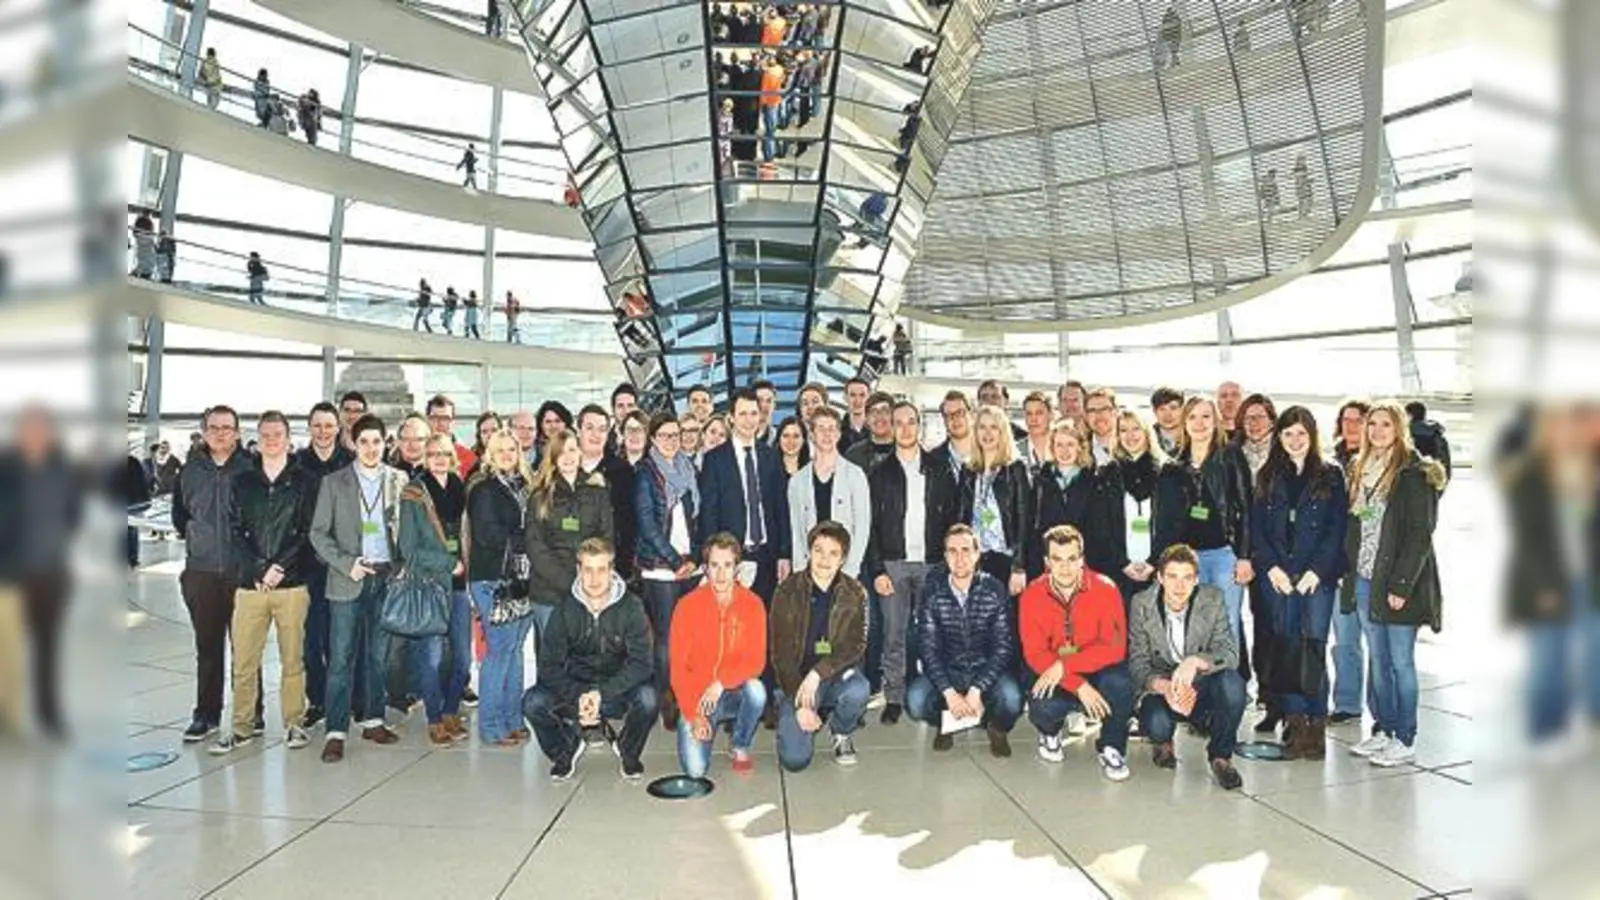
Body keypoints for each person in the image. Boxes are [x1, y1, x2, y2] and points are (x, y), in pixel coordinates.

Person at [1342, 400, 1446, 767]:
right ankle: (1383, 730)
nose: (1378, 431)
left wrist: (1401, 586)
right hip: (1367, 579)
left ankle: (1405, 736)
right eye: (1373, 425)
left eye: (1386, 425)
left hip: (1399, 584)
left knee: (1401, 662)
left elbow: (1420, 535)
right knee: (1379, 660)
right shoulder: (1359, 469)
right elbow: (1357, 527)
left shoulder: (1414, 474)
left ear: (1399, 429)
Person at [210, 411, 319, 755]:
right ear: (256, 440)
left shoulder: (305, 481)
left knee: (293, 660)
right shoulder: (242, 482)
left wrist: (279, 568)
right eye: (266, 434)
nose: (272, 440)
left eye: (278, 434)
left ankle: (294, 723)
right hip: (249, 586)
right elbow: (234, 530)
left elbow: (307, 532)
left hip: (292, 585)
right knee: (243, 661)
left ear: (289, 438)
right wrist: (259, 569)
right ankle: (241, 727)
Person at [308, 414, 409, 763]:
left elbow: (406, 529)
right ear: (353, 443)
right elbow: (318, 533)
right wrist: (346, 563)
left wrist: (402, 564)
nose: (370, 448)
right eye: (363, 441)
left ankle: (374, 719)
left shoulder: (399, 479)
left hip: (385, 579)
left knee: (377, 657)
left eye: (376, 442)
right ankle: (336, 731)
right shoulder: (334, 483)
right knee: (341, 659)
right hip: (348, 578)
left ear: (385, 443)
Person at [1250, 406, 1347, 759]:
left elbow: (1337, 530)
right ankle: (1294, 725)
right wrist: (1271, 567)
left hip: (1315, 579)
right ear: (1279, 437)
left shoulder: (1331, 476)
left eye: (1301, 434)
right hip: (1278, 577)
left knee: (1313, 646)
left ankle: (1315, 724)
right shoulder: (1267, 476)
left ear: (1312, 436)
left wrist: (1316, 572)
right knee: (1286, 647)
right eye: (1288, 433)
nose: (1294, 440)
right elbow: (1256, 529)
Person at [1503, 405, 1599, 742]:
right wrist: (1545, 586)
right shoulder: (1528, 476)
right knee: (1548, 659)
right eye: (1556, 428)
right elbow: (1528, 539)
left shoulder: (1587, 472)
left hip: (1588, 580)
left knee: (1594, 655)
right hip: (1547, 584)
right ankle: (1546, 730)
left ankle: (1591, 723)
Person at [523, 538, 657, 781]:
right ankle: (566, 749)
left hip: (617, 688)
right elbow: (548, 666)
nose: (594, 579)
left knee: (649, 698)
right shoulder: (564, 609)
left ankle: (627, 751)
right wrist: (579, 695)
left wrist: (601, 693)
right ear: (578, 571)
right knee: (533, 702)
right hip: (576, 687)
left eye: (601, 570)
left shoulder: (632, 607)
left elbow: (642, 663)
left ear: (612, 570)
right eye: (588, 570)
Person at [864, 401, 961, 724]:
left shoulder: (940, 468)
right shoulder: (879, 473)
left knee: (934, 632)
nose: (905, 428)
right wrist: (877, 569)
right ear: (891, 427)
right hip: (894, 564)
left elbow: (952, 518)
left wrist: (950, 562)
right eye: (899, 423)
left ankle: (937, 692)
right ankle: (894, 695)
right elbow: (871, 527)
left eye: (911, 422)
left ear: (919, 426)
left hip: (933, 564)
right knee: (894, 633)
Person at [1151, 395, 1253, 686]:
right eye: (1193, 417)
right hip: (1188, 560)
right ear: (1184, 422)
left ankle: (1231, 689)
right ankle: (1200, 690)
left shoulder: (1230, 455)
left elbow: (1245, 507)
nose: (1199, 423)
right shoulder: (1174, 463)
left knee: (1228, 624)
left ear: (1216, 420)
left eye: (1206, 416)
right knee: (1195, 625)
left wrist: (1244, 556)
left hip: (1224, 554)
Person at [1128, 544, 1248, 790]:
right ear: (1159, 577)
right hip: (1162, 688)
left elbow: (1230, 653)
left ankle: (1221, 757)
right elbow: (1137, 663)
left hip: (1200, 685)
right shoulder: (1141, 604)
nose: (1179, 586)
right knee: (1157, 725)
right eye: (1172, 577)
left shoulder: (1212, 598)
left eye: (1187, 578)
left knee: (1233, 685)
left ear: (1196, 580)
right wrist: (1164, 686)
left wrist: (1194, 662)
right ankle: (1163, 742)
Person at [1019, 525, 1135, 779]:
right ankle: (1050, 732)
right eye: (1057, 559)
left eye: (1072, 559)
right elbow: (1036, 655)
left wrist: (1066, 665)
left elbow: (1114, 649)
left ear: (1082, 559)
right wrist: (1078, 684)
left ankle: (1112, 746)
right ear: (1047, 562)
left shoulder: (1106, 589)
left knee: (1121, 684)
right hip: (1056, 674)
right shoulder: (1032, 595)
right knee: (1041, 704)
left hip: (1096, 671)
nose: (1065, 567)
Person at [172, 406, 257, 743]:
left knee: (247, 649)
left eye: (227, 427)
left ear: (237, 432)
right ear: (204, 432)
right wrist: (198, 542)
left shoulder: (250, 470)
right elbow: (180, 517)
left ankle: (252, 712)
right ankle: (206, 714)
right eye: (214, 427)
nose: (221, 433)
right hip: (202, 572)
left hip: (241, 573)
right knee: (207, 648)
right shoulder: (189, 472)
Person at [0, 407, 82, 738]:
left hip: (51, 573)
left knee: (48, 647)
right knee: (8, 648)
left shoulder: (62, 471)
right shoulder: (5, 469)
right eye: (28, 429)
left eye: (41, 429)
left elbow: (72, 516)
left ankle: (49, 713)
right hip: (9, 574)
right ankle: (7, 715)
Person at [906, 525, 1024, 756]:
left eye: (966, 550)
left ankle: (995, 727)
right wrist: (950, 693)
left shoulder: (995, 590)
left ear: (977, 554)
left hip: (985, 668)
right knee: (915, 701)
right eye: (952, 551)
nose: (959, 558)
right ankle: (948, 721)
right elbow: (927, 650)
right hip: (948, 669)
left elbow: (1003, 648)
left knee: (1012, 699)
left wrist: (976, 690)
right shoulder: (933, 591)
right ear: (945, 556)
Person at [770, 522, 871, 769]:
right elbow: (779, 654)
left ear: (843, 559)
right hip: (795, 678)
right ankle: (799, 710)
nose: (824, 559)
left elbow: (856, 645)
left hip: (834, 673)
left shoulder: (855, 592)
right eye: (818, 550)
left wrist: (819, 673)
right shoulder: (787, 591)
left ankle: (842, 731)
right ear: (809, 552)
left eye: (833, 553)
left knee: (859, 689)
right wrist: (802, 701)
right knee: (795, 761)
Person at [670, 534, 767, 776]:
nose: (721, 574)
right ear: (705, 569)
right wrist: (694, 714)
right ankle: (704, 729)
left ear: (737, 569)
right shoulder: (686, 606)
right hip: (698, 697)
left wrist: (721, 682)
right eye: (714, 566)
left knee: (757, 690)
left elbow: (756, 661)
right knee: (695, 771)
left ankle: (740, 743)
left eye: (727, 566)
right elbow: (678, 668)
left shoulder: (753, 604)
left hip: (734, 692)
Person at [399, 434, 472, 747]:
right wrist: (447, 562)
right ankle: (434, 717)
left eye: (445, 453)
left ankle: (451, 709)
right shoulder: (414, 492)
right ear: (425, 458)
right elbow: (408, 548)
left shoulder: (461, 488)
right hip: (430, 584)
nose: (440, 458)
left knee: (463, 659)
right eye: (433, 454)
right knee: (430, 658)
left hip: (459, 586)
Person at [464, 430, 536, 746]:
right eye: (500, 449)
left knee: (515, 650)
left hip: (523, 579)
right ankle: (492, 726)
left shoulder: (525, 486)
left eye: (512, 448)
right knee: (499, 651)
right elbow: (488, 536)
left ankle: (513, 719)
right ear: (490, 453)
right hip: (492, 579)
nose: (507, 454)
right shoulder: (484, 489)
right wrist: (528, 538)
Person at [634, 414, 701, 730]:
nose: (671, 440)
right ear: (652, 438)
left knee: (690, 637)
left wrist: (695, 558)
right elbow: (647, 526)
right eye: (664, 435)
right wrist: (676, 561)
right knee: (666, 638)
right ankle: (667, 698)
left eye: (676, 435)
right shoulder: (645, 474)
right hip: (661, 569)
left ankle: (689, 691)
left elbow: (698, 519)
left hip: (691, 566)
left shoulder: (689, 469)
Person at [698, 388, 792, 607]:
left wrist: (784, 554)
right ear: (731, 418)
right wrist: (713, 559)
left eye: (753, 413)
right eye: (742, 414)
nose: (749, 420)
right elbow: (709, 513)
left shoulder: (770, 456)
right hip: (730, 558)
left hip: (767, 557)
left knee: (763, 623)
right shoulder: (715, 460)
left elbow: (781, 509)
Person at [292, 402, 352, 729]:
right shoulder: (297, 465)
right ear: (309, 427)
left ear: (338, 428)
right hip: (308, 565)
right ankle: (317, 699)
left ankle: (343, 698)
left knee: (342, 636)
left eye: (329, 425)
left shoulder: (349, 463)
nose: (323, 432)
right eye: (317, 425)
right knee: (312, 637)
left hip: (342, 563)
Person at [1025, 421, 1134, 594]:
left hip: (1086, 563)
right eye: (1059, 444)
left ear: (1080, 448)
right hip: (1048, 564)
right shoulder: (1040, 481)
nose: (1065, 450)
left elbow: (1100, 527)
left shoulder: (1094, 481)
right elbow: (1032, 526)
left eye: (1070, 444)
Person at [526, 430, 614, 637]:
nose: (568, 457)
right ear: (553, 457)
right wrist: (567, 582)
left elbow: (606, 538)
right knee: (552, 662)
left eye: (572, 450)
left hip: (589, 591)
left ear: (580, 453)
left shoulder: (598, 492)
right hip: (548, 593)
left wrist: (588, 580)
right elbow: (535, 545)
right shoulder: (539, 496)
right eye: (561, 452)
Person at [957, 405, 1031, 599]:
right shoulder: (968, 470)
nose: (987, 433)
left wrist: (1019, 567)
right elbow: (962, 518)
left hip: (1006, 560)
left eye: (994, 427)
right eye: (982, 427)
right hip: (975, 560)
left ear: (1003, 432)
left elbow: (1024, 521)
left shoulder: (1015, 468)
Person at [788, 406, 870, 578]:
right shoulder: (797, 481)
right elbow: (796, 532)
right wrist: (800, 571)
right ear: (811, 434)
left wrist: (850, 569)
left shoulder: (855, 475)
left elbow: (862, 527)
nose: (827, 434)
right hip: (810, 570)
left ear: (839, 434)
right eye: (821, 429)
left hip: (845, 569)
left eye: (832, 429)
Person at [1114, 411, 1161, 597]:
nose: (1130, 436)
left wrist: (1154, 562)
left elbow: (1173, 524)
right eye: (1123, 430)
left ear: (1147, 433)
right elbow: (1102, 525)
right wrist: (1123, 563)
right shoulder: (1109, 474)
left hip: (1158, 569)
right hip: (1122, 570)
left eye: (1136, 429)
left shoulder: (1166, 473)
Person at [425, 394, 477, 477]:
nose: (440, 423)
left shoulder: (469, 458)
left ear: (453, 421)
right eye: (435, 417)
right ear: (427, 420)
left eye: (445, 418)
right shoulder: (418, 453)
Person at [844, 391, 895, 473]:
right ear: (867, 419)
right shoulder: (853, 455)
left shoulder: (907, 452)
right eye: (873, 411)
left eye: (884, 411)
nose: (879, 417)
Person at [1405, 401, 1453, 483]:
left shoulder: (1405, 436)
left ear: (1410, 416)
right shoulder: (1438, 434)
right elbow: (1446, 464)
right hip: (1434, 481)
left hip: (1409, 482)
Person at [932, 390, 975, 479]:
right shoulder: (932, 460)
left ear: (971, 414)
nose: (955, 419)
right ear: (944, 421)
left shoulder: (989, 453)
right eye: (949, 415)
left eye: (960, 413)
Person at [977, 379, 1028, 443]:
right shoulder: (970, 435)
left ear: (1006, 402)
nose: (989, 401)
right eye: (985, 397)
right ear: (978, 403)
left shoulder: (1022, 438)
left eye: (995, 397)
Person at [1019, 391, 1054, 484]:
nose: (1033, 419)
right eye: (1029, 414)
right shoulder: (1014, 450)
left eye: (1039, 413)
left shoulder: (1062, 447)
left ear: (1050, 415)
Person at [1149, 386, 1184, 457]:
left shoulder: (1194, 434)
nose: (1168, 414)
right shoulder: (1147, 437)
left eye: (1173, 408)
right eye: (1162, 409)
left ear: (1182, 410)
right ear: (1155, 412)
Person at [842, 377, 870, 448]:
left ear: (869, 397)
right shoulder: (836, 430)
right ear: (845, 397)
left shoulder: (877, 430)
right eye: (852, 395)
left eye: (862, 395)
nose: (857, 401)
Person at [1158, 4, 1182, 69]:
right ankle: (1175, 62)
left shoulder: (1174, 18)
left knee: (1174, 50)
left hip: (1174, 36)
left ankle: (1175, 62)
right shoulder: (1167, 18)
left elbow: (1177, 25)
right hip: (1171, 36)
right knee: (1173, 50)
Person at [1292, 154, 1312, 219]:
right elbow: (1298, 177)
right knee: (1302, 200)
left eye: (1304, 160)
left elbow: (1304, 177)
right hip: (1301, 186)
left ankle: (1304, 213)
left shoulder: (1304, 167)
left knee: (1307, 200)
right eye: (1303, 160)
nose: (1304, 161)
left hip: (1305, 185)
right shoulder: (1298, 168)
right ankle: (1301, 214)